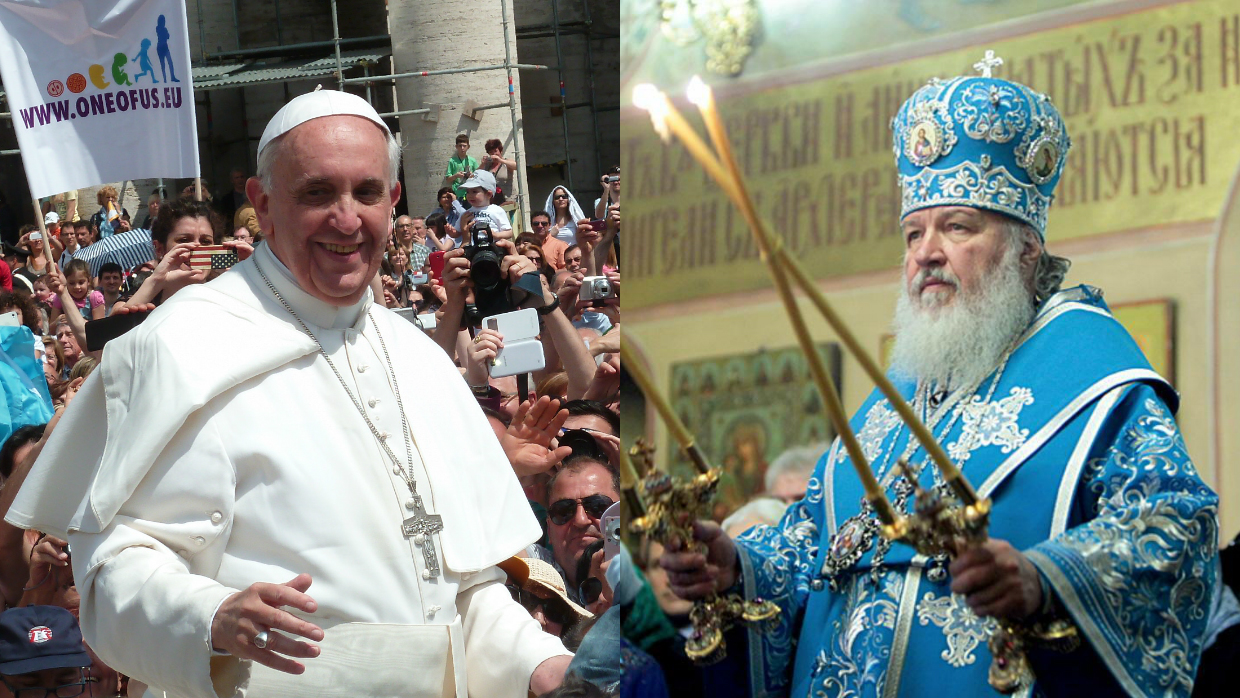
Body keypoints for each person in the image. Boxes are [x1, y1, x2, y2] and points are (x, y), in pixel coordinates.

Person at [658, 57, 1219, 697]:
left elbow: (1176, 526)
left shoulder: (1095, 377)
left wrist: (1044, 577)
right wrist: (738, 566)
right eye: (913, 233)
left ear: (1025, 251)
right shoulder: (893, 402)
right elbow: (813, 547)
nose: (926, 252)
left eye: (957, 226)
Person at [6, 89, 571, 698]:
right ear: (263, 204)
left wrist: (541, 665)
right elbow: (110, 575)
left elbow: (466, 592)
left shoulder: (419, 361)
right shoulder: (178, 349)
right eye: (317, 193)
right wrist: (209, 617)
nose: (347, 219)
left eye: (367, 192)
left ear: (394, 199)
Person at [460, 170, 513, 238]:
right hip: (474, 246)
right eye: (467, 192)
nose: (470, 195)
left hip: (493, 246)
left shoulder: (497, 210)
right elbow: (458, 233)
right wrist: (452, 232)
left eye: (474, 191)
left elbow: (509, 232)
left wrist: (496, 235)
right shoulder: (467, 212)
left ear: (488, 194)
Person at [480, 138, 517, 205]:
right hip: (493, 201)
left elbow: (516, 166)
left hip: (508, 199)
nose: (494, 154)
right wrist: (482, 164)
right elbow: (476, 175)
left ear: (500, 151)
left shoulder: (506, 162)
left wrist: (500, 160)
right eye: (491, 152)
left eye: (496, 151)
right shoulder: (488, 166)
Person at [444, 133, 479, 201]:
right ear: (456, 147)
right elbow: (448, 179)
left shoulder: (472, 160)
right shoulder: (452, 161)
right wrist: (456, 175)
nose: (462, 148)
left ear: (468, 147)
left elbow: (479, 175)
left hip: (470, 192)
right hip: (458, 193)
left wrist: (472, 175)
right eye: (460, 146)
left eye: (464, 146)